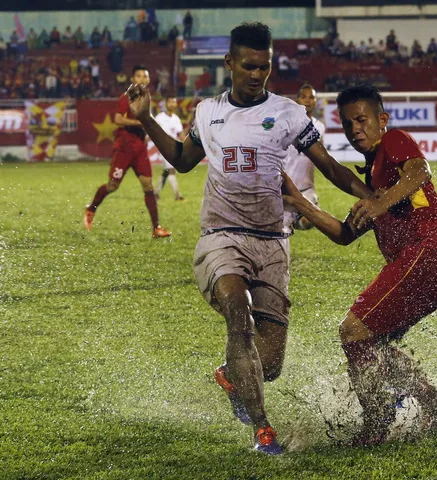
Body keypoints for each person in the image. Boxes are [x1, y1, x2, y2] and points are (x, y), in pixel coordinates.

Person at [125, 22, 371, 455]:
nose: (258, 75)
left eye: (265, 67)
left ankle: (230, 373)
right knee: (238, 309)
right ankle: (263, 431)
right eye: (250, 66)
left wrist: (376, 198)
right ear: (230, 64)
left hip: (273, 243)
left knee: (269, 363)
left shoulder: (291, 113)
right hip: (221, 238)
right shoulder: (207, 111)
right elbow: (183, 161)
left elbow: (331, 168)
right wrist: (145, 119)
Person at [281, 84, 437, 446]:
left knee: (353, 330)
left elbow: (420, 171)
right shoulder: (374, 180)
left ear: (382, 120)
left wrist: (382, 204)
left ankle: (377, 425)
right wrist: (300, 202)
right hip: (434, 263)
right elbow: (343, 234)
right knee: (372, 343)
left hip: (430, 252)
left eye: (361, 120)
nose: (355, 130)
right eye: (347, 125)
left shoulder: (394, 142)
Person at [83, 65, 171, 238]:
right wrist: (140, 124)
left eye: (145, 76)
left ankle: (156, 228)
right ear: (132, 79)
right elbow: (118, 119)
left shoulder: (145, 98)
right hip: (124, 148)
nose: (143, 79)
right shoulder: (127, 97)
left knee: (148, 186)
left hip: (140, 149)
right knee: (112, 186)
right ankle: (90, 209)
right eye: (139, 76)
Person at [283, 84, 325, 232]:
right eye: (304, 97)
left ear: (316, 101)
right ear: (297, 100)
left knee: (309, 221)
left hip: (306, 189)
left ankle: (295, 221)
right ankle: (289, 222)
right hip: (283, 188)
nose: (308, 100)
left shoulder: (320, 127)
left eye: (311, 97)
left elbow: (321, 157)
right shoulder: (286, 125)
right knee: (279, 234)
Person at [153, 95, 185, 201]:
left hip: (173, 147)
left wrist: (186, 143)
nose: (172, 104)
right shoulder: (159, 117)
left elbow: (180, 133)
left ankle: (155, 193)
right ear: (166, 104)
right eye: (170, 102)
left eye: (174, 102)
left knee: (166, 171)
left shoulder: (176, 119)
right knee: (171, 170)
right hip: (163, 147)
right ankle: (178, 195)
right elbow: (153, 131)